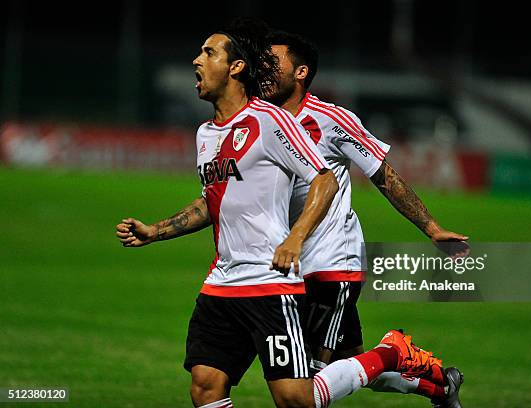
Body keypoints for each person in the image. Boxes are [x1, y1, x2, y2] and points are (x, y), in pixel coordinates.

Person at [115, 19, 441, 408]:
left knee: (296, 398)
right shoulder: (206, 134)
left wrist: (295, 237)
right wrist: (157, 230)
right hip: (222, 280)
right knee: (204, 386)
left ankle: (391, 354)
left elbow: (324, 180)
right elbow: (212, 201)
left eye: (208, 52)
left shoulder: (269, 121)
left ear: (235, 67)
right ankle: (422, 378)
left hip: (271, 282)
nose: (196, 61)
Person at [265, 30, 468, 408]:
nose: (263, 68)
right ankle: (439, 384)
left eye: (273, 63)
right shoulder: (265, 120)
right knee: (352, 364)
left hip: (331, 263)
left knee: (304, 388)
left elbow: (385, 176)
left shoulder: (331, 120)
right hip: (289, 267)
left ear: (300, 72)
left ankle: (393, 352)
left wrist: (432, 228)